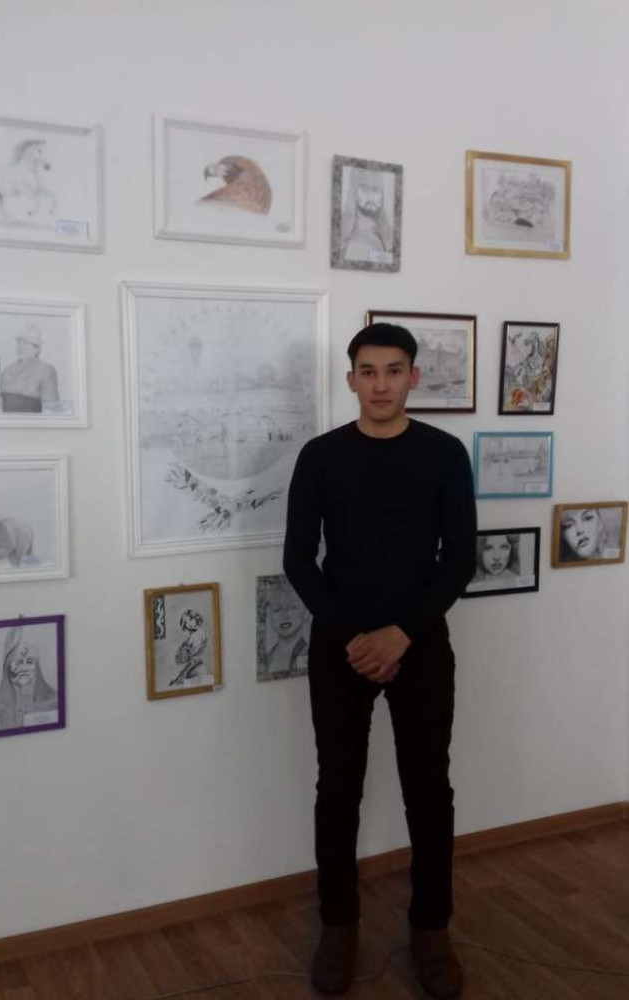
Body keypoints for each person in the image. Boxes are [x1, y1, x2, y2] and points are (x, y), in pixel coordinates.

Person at [284, 322, 476, 999]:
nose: (381, 384)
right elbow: (297, 559)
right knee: (338, 789)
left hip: (420, 645)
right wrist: (357, 639)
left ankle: (431, 929)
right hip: (341, 647)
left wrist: (400, 635)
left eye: (394, 371)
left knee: (429, 790)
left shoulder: (445, 454)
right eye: (368, 372)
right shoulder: (321, 456)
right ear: (351, 380)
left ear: (414, 377)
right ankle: (339, 928)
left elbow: (460, 559)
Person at [0, 625, 58, 731]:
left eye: (30, 661)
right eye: (18, 661)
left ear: (37, 666)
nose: (24, 668)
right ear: (7, 666)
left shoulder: (54, 702)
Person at [0, 325, 59, 413]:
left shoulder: (46, 370)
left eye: (25, 343)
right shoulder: (6, 371)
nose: (20, 347)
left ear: (37, 349)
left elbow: (53, 409)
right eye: (19, 342)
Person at [342, 168, 390, 263]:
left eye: (376, 190)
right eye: (364, 189)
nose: (371, 197)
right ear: (354, 193)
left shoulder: (386, 235)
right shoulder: (352, 241)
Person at [263, 580, 309, 677]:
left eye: (293, 607)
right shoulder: (269, 657)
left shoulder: (311, 651)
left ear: (305, 612)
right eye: (277, 609)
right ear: (270, 615)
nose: (285, 615)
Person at [169, 609, 209, 687]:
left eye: (191, 619)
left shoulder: (196, 635)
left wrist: (179, 678)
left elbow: (191, 661)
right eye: (186, 622)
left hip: (196, 671)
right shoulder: (195, 636)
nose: (190, 622)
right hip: (195, 671)